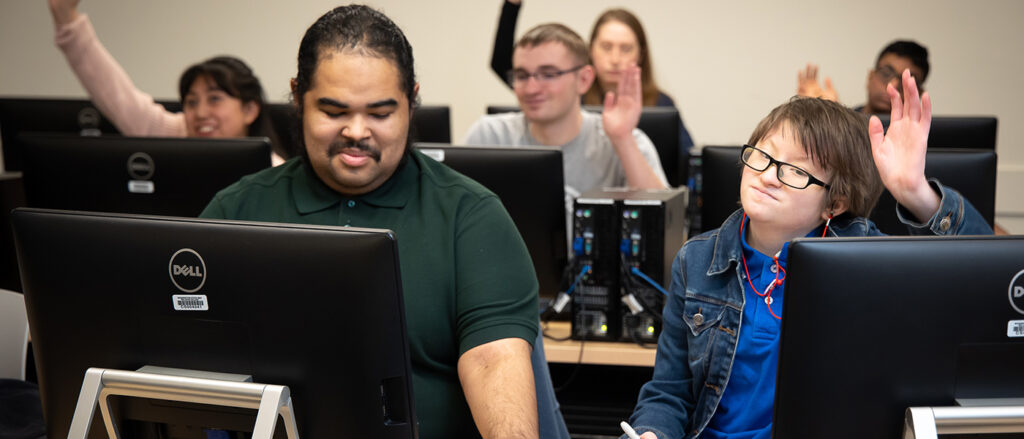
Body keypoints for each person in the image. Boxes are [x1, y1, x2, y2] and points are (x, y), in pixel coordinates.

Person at [199, 5, 540, 438]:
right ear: (297, 96)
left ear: (412, 101)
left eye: (380, 113)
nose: (357, 131)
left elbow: (493, 361)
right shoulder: (236, 211)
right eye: (334, 112)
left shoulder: (470, 216)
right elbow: (188, 366)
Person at [625, 71, 992, 439]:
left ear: (835, 202)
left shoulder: (864, 258)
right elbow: (669, 392)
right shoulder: (697, 260)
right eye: (764, 156)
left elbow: (986, 283)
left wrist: (915, 192)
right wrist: (651, 432)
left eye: (795, 170)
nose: (768, 175)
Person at [48, 0, 287, 163]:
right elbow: (118, 97)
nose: (200, 112)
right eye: (191, 102)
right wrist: (67, 19)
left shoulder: (272, 172)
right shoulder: (178, 132)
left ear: (249, 110)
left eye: (214, 99)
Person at [469, 22, 669, 201]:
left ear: (583, 80)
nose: (531, 89)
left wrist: (622, 139)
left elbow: (668, 230)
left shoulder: (624, 139)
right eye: (522, 75)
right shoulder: (489, 135)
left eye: (548, 74)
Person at [490, 1, 695, 156]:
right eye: (606, 47)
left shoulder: (661, 103)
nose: (615, 59)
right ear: (591, 51)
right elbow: (506, 66)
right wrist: (511, 6)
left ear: (640, 54)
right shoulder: (568, 95)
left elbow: (688, 161)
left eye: (626, 49)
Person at [797, 40, 930, 115]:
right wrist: (825, 114)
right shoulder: (842, 122)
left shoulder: (922, 138)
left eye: (906, 81)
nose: (892, 86)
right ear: (870, 77)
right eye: (886, 74)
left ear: (918, 92)